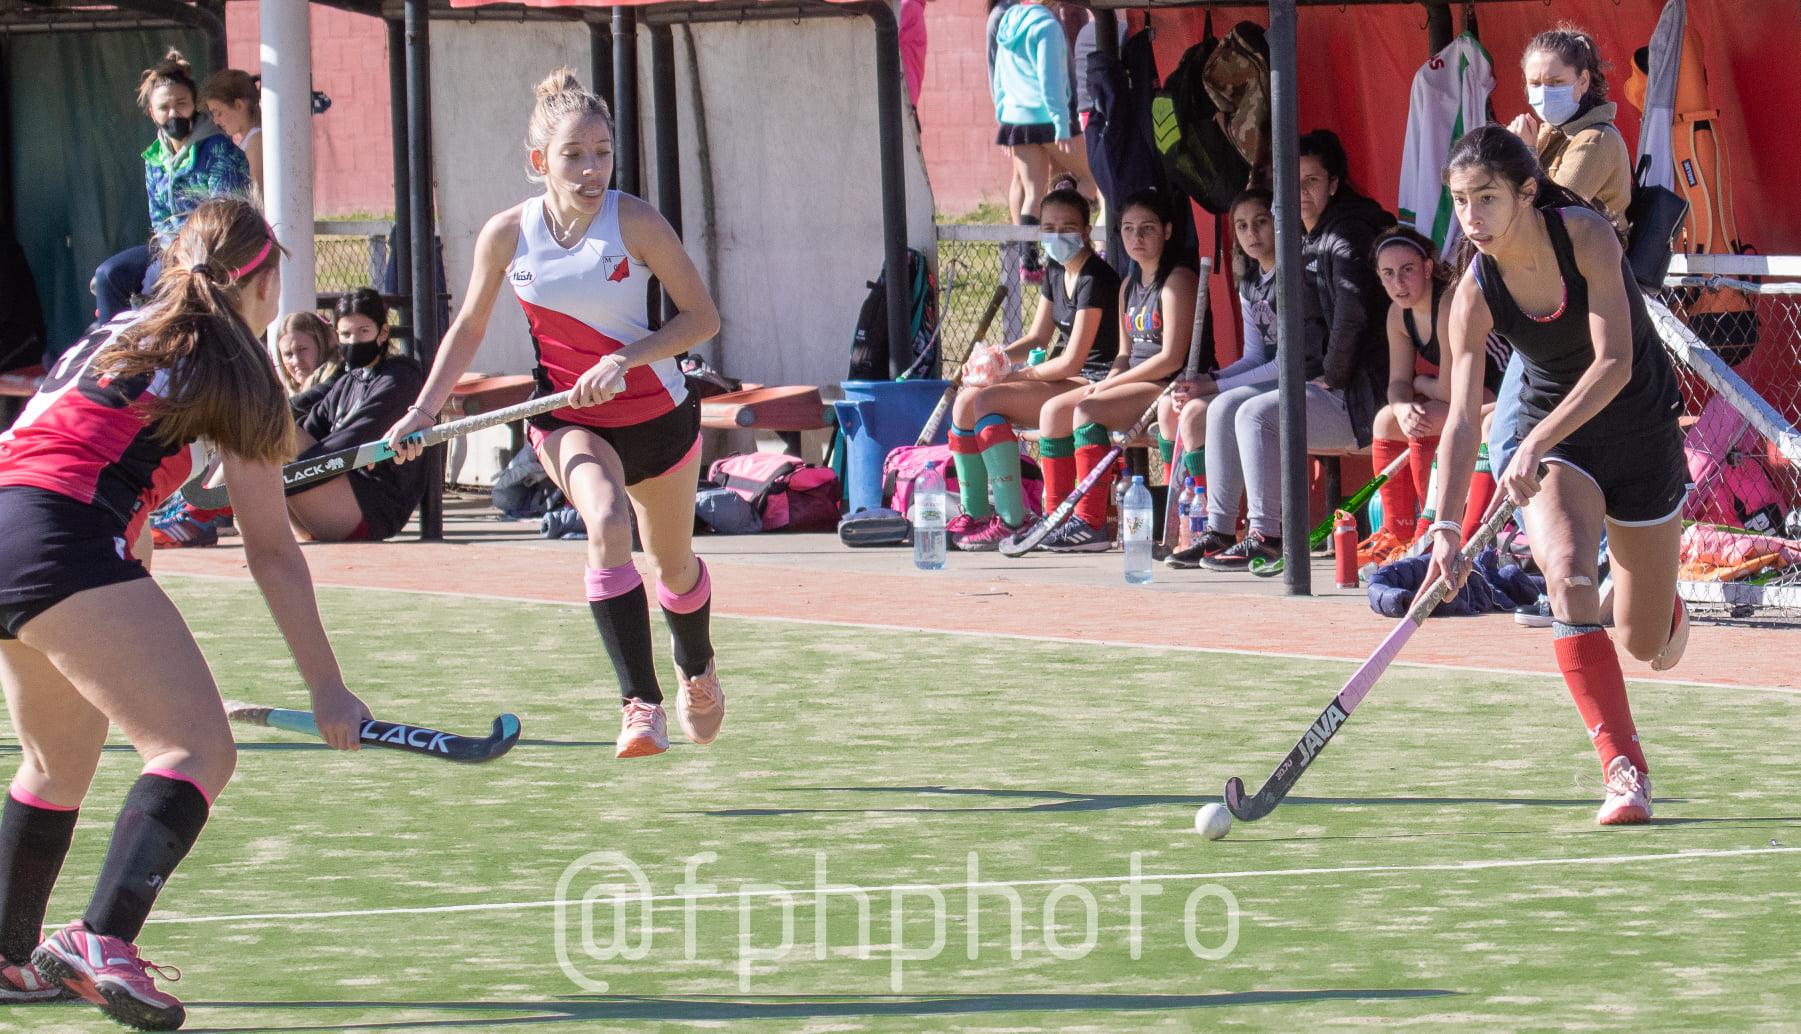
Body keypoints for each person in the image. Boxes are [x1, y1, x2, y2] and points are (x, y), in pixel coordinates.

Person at [0, 198, 369, 1027]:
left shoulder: (124, 329)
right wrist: (328, 688)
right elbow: (271, 547)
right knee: (194, 748)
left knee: (55, 764)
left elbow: (88, 455)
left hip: (10, 528)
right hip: (61, 539)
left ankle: (6, 956)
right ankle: (100, 938)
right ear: (265, 280)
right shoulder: (237, 367)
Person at [381, 69, 723, 760]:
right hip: (570, 416)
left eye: (602, 152)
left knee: (673, 565)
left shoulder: (635, 221)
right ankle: (641, 705)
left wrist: (626, 358)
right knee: (604, 521)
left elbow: (702, 318)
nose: (592, 167)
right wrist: (421, 408)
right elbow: (469, 328)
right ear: (539, 162)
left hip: (657, 414)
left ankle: (696, 667)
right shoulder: (508, 234)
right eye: (574, 154)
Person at [1428, 124, 1687, 825]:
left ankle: (1657, 603)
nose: (1471, 219)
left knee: (1644, 645)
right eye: (1459, 202)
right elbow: (1458, 422)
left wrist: (1529, 439)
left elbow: (1613, 363)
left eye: (1486, 198)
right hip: (1559, 446)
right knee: (1567, 576)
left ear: (1526, 192)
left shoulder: (1585, 236)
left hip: (1639, 433)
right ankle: (1621, 770)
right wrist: (1444, 528)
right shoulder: (1472, 293)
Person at [1200, 130, 1394, 571]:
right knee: (1223, 404)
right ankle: (1217, 531)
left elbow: (1353, 313)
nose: (1302, 192)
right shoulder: (1307, 236)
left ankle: (1268, 535)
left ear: (1334, 184)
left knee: (1254, 414)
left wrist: (1335, 373)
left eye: (1312, 181)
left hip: (1359, 399)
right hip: (1325, 389)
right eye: (1294, 181)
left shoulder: (1346, 233)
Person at [1492, 25, 1635, 479]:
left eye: (1555, 83)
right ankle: (1545, 539)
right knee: (1515, 436)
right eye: (1534, 83)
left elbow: (1550, 213)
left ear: (1584, 81)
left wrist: (1522, 155)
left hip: (1582, 302)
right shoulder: (1556, 135)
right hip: (1548, 296)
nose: (1542, 92)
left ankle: (1556, 540)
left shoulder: (1596, 140)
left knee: (1512, 439)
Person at [945, 189, 1119, 550]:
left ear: (1087, 231)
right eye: (1049, 227)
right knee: (965, 400)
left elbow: (1072, 361)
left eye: (1067, 227)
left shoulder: (1094, 278)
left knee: (987, 401)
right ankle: (975, 513)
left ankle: (1013, 520)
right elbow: (1038, 335)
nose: (1057, 235)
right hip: (1065, 376)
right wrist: (994, 359)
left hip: (1093, 379)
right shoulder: (1056, 268)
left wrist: (1012, 377)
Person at [1162, 188, 1319, 568]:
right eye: (1242, 226)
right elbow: (1254, 356)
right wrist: (1207, 378)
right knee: (1215, 406)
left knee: (1228, 404)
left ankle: (1266, 534)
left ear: (1280, 222)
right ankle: (1218, 530)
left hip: (1310, 380)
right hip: (1273, 376)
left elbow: (1285, 363)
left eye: (1261, 222)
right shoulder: (1250, 280)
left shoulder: (1293, 273)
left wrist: (1212, 386)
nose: (1252, 234)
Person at [1035, 188, 1194, 551]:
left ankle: (1090, 525)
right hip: (1132, 379)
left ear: (1167, 231)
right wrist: (1107, 383)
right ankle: (1057, 516)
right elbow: (1124, 354)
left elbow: (1170, 358)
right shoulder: (1127, 285)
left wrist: (1112, 386)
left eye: (1148, 228)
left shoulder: (1177, 281)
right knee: (1054, 410)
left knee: (1087, 411)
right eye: (1127, 229)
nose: (1136, 238)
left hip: (1166, 383)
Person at [1356, 226, 1509, 568]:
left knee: (1422, 421)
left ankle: (1431, 528)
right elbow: (1398, 382)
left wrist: (1420, 384)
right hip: (1464, 393)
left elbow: (1450, 390)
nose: (1399, 283)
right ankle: (1396, 534)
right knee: (1387, 419)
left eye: (1407, 270)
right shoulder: (1399, 313)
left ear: (1427, 269)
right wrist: (1401, 403)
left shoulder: (1450, 301)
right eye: (1388, 274)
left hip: (1497, 391)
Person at [93, 50, 251, 324]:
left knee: (157, 283)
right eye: (164, 107)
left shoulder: (219, 151)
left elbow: (227, 214)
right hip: (171, 247)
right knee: (108, 276)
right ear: (152, 113)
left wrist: (186, 254)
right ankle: (119, 356)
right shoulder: (154, 158)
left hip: (212, 250)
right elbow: (160, 216)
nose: (174, 113)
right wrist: (171, 249)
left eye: (181, 103)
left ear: (194, 105)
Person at [282, 290, 427, 543]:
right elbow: (308, 429)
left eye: (363, 332)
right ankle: (205, 505)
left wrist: (286, 476)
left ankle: (206, 513)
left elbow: (352, 443)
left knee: (272, 425)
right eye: (346, 334)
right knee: (269, 424)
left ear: (382, 333)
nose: (354, 341)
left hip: (373, 509)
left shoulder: (399, 378)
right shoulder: (348, 381)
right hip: (333, 500)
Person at [990, 0, 1071, 228]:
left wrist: (1004, 119)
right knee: (1088, 177)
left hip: (1016, 120)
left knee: (1033, 193)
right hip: (1045, 119)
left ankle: (1029, 262)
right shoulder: (1048, 27)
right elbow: (1050, 81)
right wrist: (1062, 123)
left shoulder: (1007, 22)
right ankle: (1065, 245)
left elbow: (999, 79)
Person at [199, 69, 263, 196]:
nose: (216, 121)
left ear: (238, 105)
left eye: (219, 113)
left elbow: (257, 196)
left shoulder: (256, 141)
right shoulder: (250, 140)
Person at [272, 310, 344, 414]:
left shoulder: (339, 377)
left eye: (302, 349)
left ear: (322, 345)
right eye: (288, 354)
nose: (296, 361)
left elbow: (315, 396)